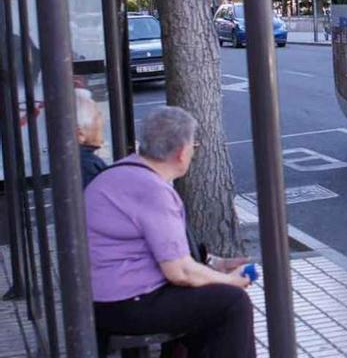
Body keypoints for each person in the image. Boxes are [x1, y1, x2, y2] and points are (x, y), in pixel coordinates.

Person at [85, 106, 256, 358]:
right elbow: (180, 272)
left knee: (207, 303)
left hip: (101, 297)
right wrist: (231, 281)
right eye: (194, 146)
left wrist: (214, 264)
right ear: (181, 152)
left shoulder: (124, 173)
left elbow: (157, 251)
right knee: (232, 303)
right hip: (126, 303)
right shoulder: (153, 190)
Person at [75, 88, 107, 189]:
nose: (103, 121)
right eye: (98, 116)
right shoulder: (88, 167)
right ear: (80, 134)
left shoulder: (76, 160)